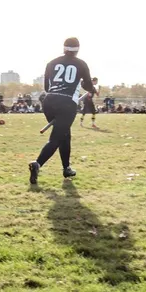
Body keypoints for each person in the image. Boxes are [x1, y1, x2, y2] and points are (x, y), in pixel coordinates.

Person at [29, 37, 97, 184]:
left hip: (49, 101)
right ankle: (37, 164)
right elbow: (88, 85)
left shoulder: (51, 63)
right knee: (56, 138)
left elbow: (47, 88)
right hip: (67, 103)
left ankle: (66, 168)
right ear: (78, 49)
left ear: (63, 48)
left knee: (65, 135)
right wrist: (92, 89)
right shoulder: (81, 64)